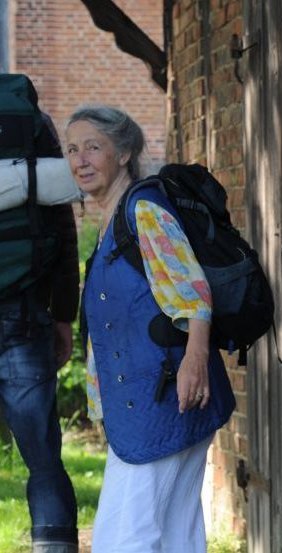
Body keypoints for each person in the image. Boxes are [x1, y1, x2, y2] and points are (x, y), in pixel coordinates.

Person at [65, 105, 235, 553]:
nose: (79, 160)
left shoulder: (143, 211)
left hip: (166, 397)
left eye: (92, 147)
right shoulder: (111, 221)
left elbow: (192, 290)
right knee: (178, 534)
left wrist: (196, 360)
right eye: (72, 150)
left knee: (122, 539)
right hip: (151, 399)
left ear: (123, 153)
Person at [0, 112, 80, 553]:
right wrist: (63, 315)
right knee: (43, 459)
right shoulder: (27, 121)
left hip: (26, 318)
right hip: (25, 316)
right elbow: (62, 228)